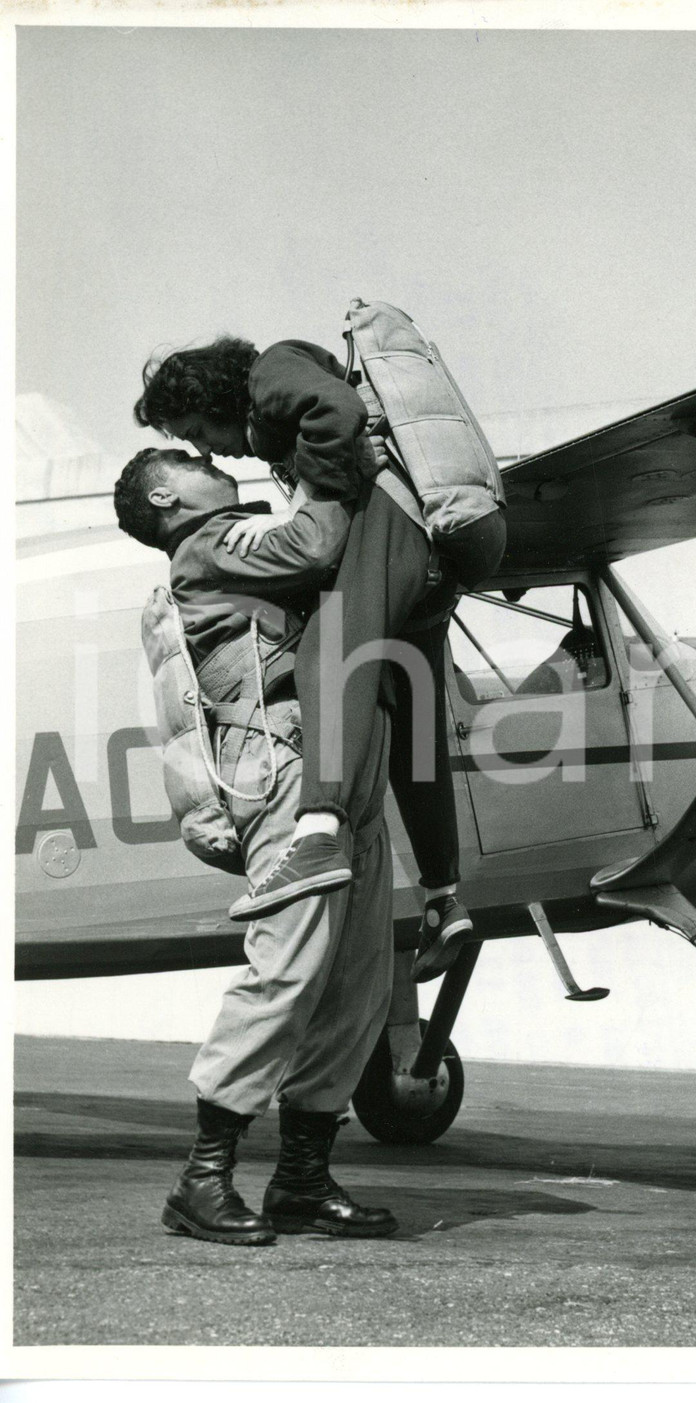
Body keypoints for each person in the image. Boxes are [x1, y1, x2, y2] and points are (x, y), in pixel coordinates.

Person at [134, 335, 505, 978]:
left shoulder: (269, 370)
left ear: (210, 396)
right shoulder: (272, 408)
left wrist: (327, 482)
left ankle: (318, 836)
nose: (205, 448)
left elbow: (332, 407)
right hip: (435, 556)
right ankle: (445, 898)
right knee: (413, 715)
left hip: (392, 518)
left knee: (329, 653)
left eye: (197, 430)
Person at [114, 444, 401, 1246]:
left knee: (357, 975)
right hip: (281, 761)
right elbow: (314, 544)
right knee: (292, 963)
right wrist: (333, 468)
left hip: (343, 767)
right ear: (167, 495)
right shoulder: (210, 541)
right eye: (191, 458)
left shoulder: (229, 540)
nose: (212, 458)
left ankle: (304, 1180)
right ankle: (201, 1180)